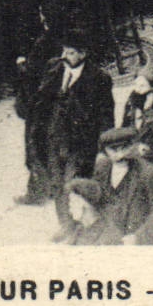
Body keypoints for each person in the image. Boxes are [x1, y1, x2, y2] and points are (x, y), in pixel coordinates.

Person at [19, 36, 115, 235]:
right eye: (64, 51)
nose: (64, 56)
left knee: (73, 185)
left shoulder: (99, 78)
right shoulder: (54, 68)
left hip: (79, 144)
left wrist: (104, 147)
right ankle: (66, 224)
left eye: (70, 52)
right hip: (52, 139)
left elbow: (106, 115)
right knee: (57, 185)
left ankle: (88, 226)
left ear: (83, 54)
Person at [89, 125, 153, 245]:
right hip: (107, 238)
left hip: (133, 239)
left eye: (125, 148)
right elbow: (94, 204)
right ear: (105, 150)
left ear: (133, 146)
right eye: (114, 149)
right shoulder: (102, 169)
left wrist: (138, 238)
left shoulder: (148, 172)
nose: (120, 154)